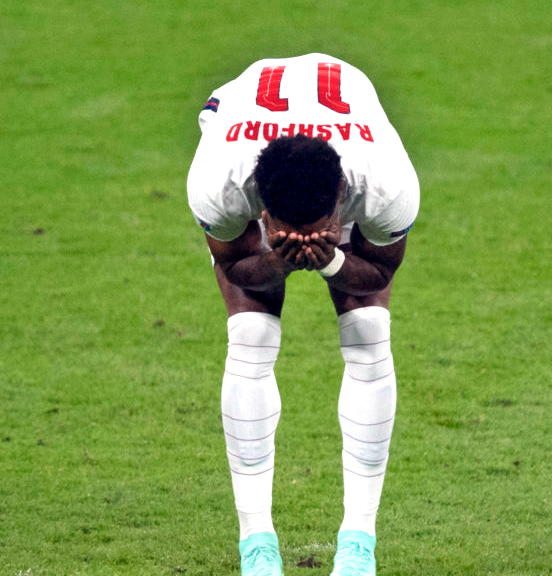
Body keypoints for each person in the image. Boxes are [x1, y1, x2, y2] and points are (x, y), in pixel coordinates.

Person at [187, 53, 419, 576]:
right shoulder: (220, 180)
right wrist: (276, 260)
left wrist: (333, 259)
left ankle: (359, 545)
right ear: (262, 209)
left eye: (322, 226)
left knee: (368, 334)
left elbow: (379, 272)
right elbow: (234, 266)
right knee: (250, 336)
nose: (308, 238)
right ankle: (256, 546)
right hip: (242, 123)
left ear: (341, 198)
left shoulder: (385, 182)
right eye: (286, 229)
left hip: (353, 133)